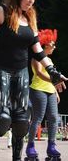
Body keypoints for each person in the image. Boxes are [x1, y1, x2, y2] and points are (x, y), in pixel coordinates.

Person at [0, 0, 67, 161]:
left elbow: (38, 52)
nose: (31, 1)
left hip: (21, 73)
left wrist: (52, 72)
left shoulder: (30, 18)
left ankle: (17, 159)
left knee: (21, 122)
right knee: (0, 120)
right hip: (1, 70)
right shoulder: (1, 11)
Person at [25, 29, 64, 160]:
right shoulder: (36, 58)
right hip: (38, 90)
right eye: (52, 44)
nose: (54, 47)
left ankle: (51, 146)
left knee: (53, 118)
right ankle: (30, 146)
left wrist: (54, 90)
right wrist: (55, 79)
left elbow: (51, 76)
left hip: (50, 91)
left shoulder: (50, 61)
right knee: (38, 118)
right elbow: (40, 74)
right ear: (45, 45)